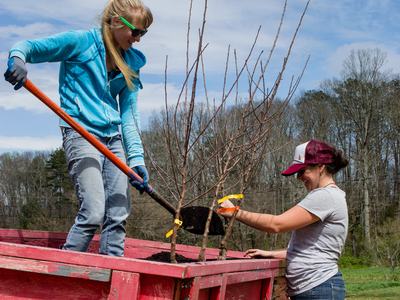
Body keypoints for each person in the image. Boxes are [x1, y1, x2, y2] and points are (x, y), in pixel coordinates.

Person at [4, 0, 153, 257]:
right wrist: (17, 60)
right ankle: (62, 276)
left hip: (114, 138)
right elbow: (27, 47)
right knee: (94, 211)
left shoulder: (131, 62)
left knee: (118, 213)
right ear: (117, 22)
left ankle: (112, 279)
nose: (138, 39)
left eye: (144, 33)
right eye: (136, 32)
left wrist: (137, 158)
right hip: (81, 132)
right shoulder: (81, 43)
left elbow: (128, 115)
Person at [218, 139, 349, 299]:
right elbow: (312, 251)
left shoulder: (325, 196)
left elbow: (276, 224)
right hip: (316, 288)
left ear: (320, 167)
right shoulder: (329, 195)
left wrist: (235, 212)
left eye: (303, 171)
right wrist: (271, 254)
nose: (299, 177)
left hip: (318, 289)